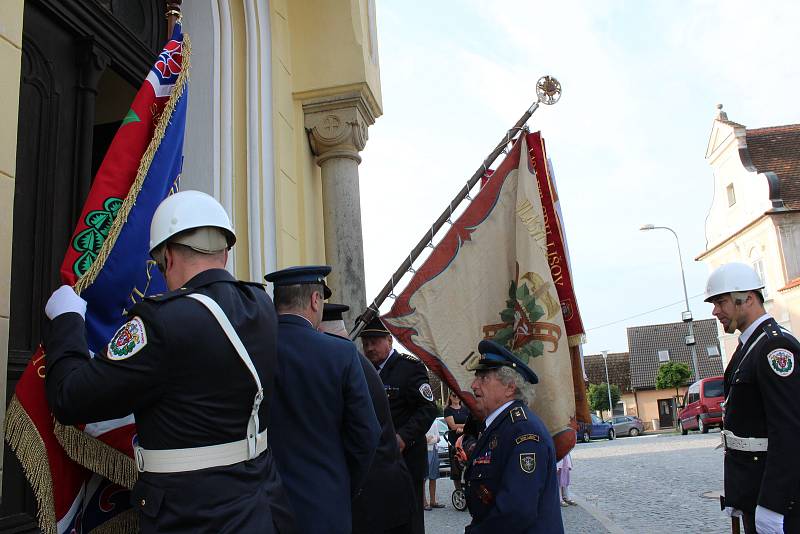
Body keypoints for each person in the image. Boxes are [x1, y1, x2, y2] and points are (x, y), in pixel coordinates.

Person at [43, 190, 295, 533]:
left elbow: (69, 398)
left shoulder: (161, 322)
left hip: (194, 516)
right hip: (261, 506)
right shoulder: (261, 305)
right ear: (224, 251)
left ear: (169, 256)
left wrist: (67, 319)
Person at [265, 267, 380, 534]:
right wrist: (341, 480)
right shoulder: (340, 354)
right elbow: (366, 433)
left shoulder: (252, 349)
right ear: (316, 300)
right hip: (325, 504)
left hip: (263, 504)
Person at [705, 262, 800, 534]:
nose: (715, 311)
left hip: (778, 500)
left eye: (721, 302)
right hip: (753, 490)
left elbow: (789, 432)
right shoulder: (751, 346)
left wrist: (773, 505)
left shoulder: (775, 347)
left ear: (747, 298)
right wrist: (739, 493)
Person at [318, 303, 415, 534]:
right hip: (387, 494)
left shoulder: (346, 365)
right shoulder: (356, 363)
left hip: (374, 498)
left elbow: (365, 436)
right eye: (366, 342)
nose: (369, 347)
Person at [464, 340, 563, 534]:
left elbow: (516, 511)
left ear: (510, 387)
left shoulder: (524, 432)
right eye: (476, 377)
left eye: (483, 378)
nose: (474, 385)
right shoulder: (502, 426)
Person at [360, 316, 438, 534]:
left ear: (389, 340)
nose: (369, 347)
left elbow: (428, 408)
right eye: (365, 343)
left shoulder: (409, 368)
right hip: (375, 462)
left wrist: (404, 437)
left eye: (374, 341)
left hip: (405, 459)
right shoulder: (362, 370)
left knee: (408, 521)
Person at [444, 391, 471, 492]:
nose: (456, 397)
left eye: (457, 395)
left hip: (466, 441)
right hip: (454, 442)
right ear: (450, 397)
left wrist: (463, 429)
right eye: (453, 395)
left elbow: (471, 423)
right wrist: (466, 427)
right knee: (456, 469)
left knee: (468, 465)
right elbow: (453, 426)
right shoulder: (448, 410)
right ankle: (459, 492)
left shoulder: (466, 409)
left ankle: (468, 490)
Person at [423, 420, 444, 510]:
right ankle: (423, 502)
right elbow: (425, 440)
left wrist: (433, 439)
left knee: (433, 476)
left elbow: (438, 438)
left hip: (434, 449)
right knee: (424, 478)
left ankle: (433, 501)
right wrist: (431, 439)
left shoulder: (434, 420)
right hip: (425, 450)